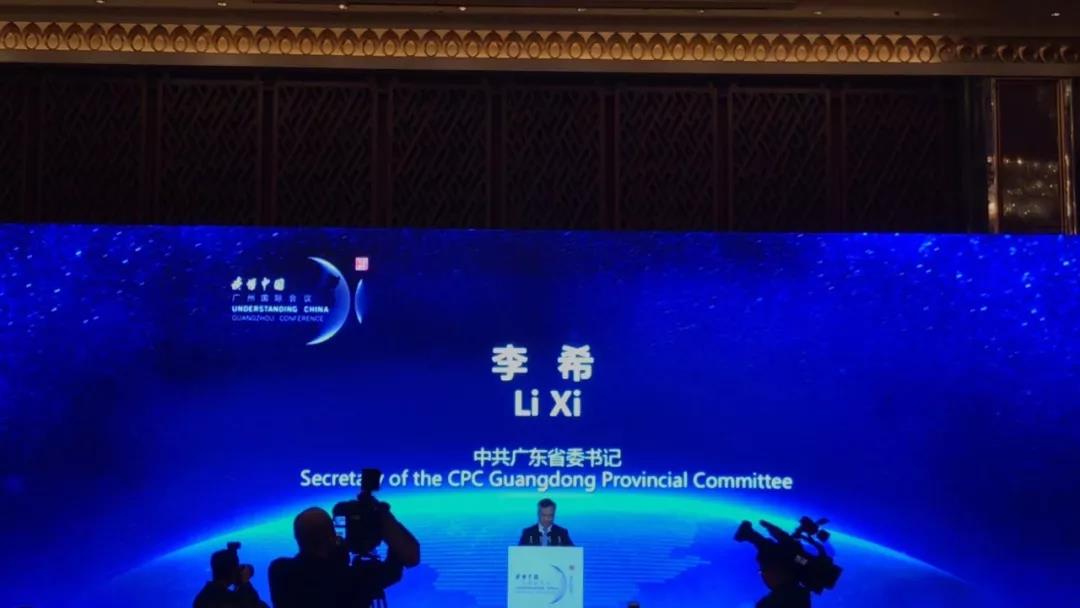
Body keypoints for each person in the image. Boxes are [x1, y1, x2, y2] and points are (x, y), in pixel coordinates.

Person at [268, 506, 420, 608]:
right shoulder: (357, 579)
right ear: (331, 536)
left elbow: (319, 571)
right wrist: (385, 520)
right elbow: (407, 557)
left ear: (297, 536)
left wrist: (338, 551)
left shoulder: (280, 571)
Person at [192, 544, 269, 608]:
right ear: (233, 572)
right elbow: (252, 604)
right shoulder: (229, 600)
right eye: (237, 568)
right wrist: (245, 582)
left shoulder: (202, 597)